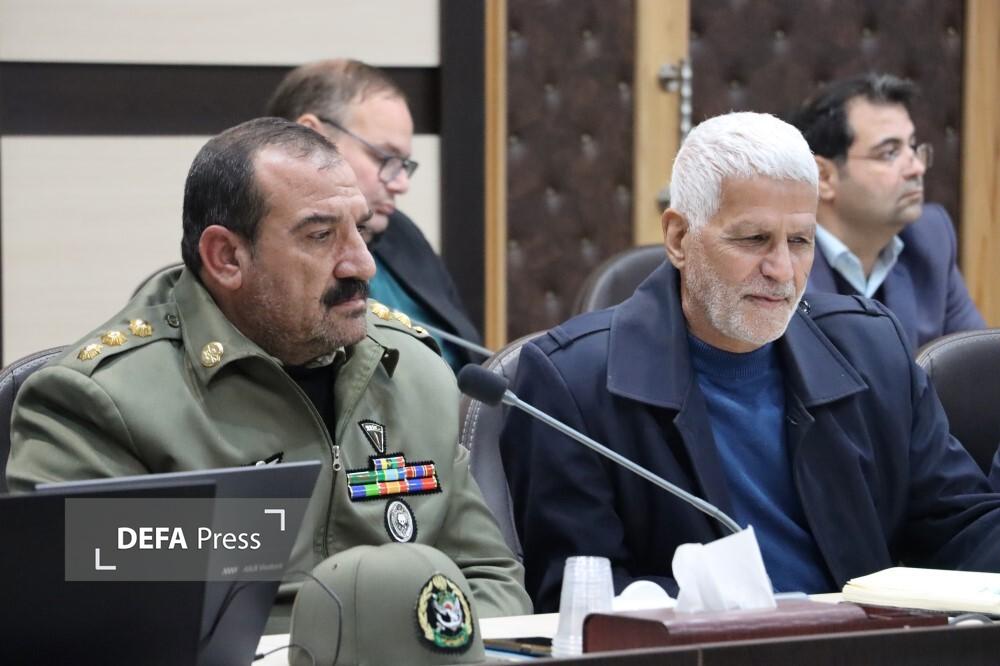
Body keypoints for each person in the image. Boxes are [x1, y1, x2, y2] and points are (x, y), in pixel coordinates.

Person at [7, 117, 531, 619]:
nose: (361, 264)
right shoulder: (104, 403)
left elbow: (489, 579)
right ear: (227, 258)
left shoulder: (413, 370)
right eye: (320, 235)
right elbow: (77, 623)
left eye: (361, 230)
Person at [498, 111, 1000, 613]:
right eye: (754, 239)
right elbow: (579, 591)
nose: (782, 270)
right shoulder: (570, 385)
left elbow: (960, 526)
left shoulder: (872, 349)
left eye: (799, 241)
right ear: (678, 238)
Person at [267, 59, 482, 372]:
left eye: (404, 164)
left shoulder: (399, 231)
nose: (401, 184)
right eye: (385, 158)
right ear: (309, 138)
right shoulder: (269, 256)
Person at [791, 72, 985, 349]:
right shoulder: (782, 261)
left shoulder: (931, 239)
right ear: (824, 176)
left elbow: (976, 363)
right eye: (890, 153)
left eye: (913, 147)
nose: (917, 168)